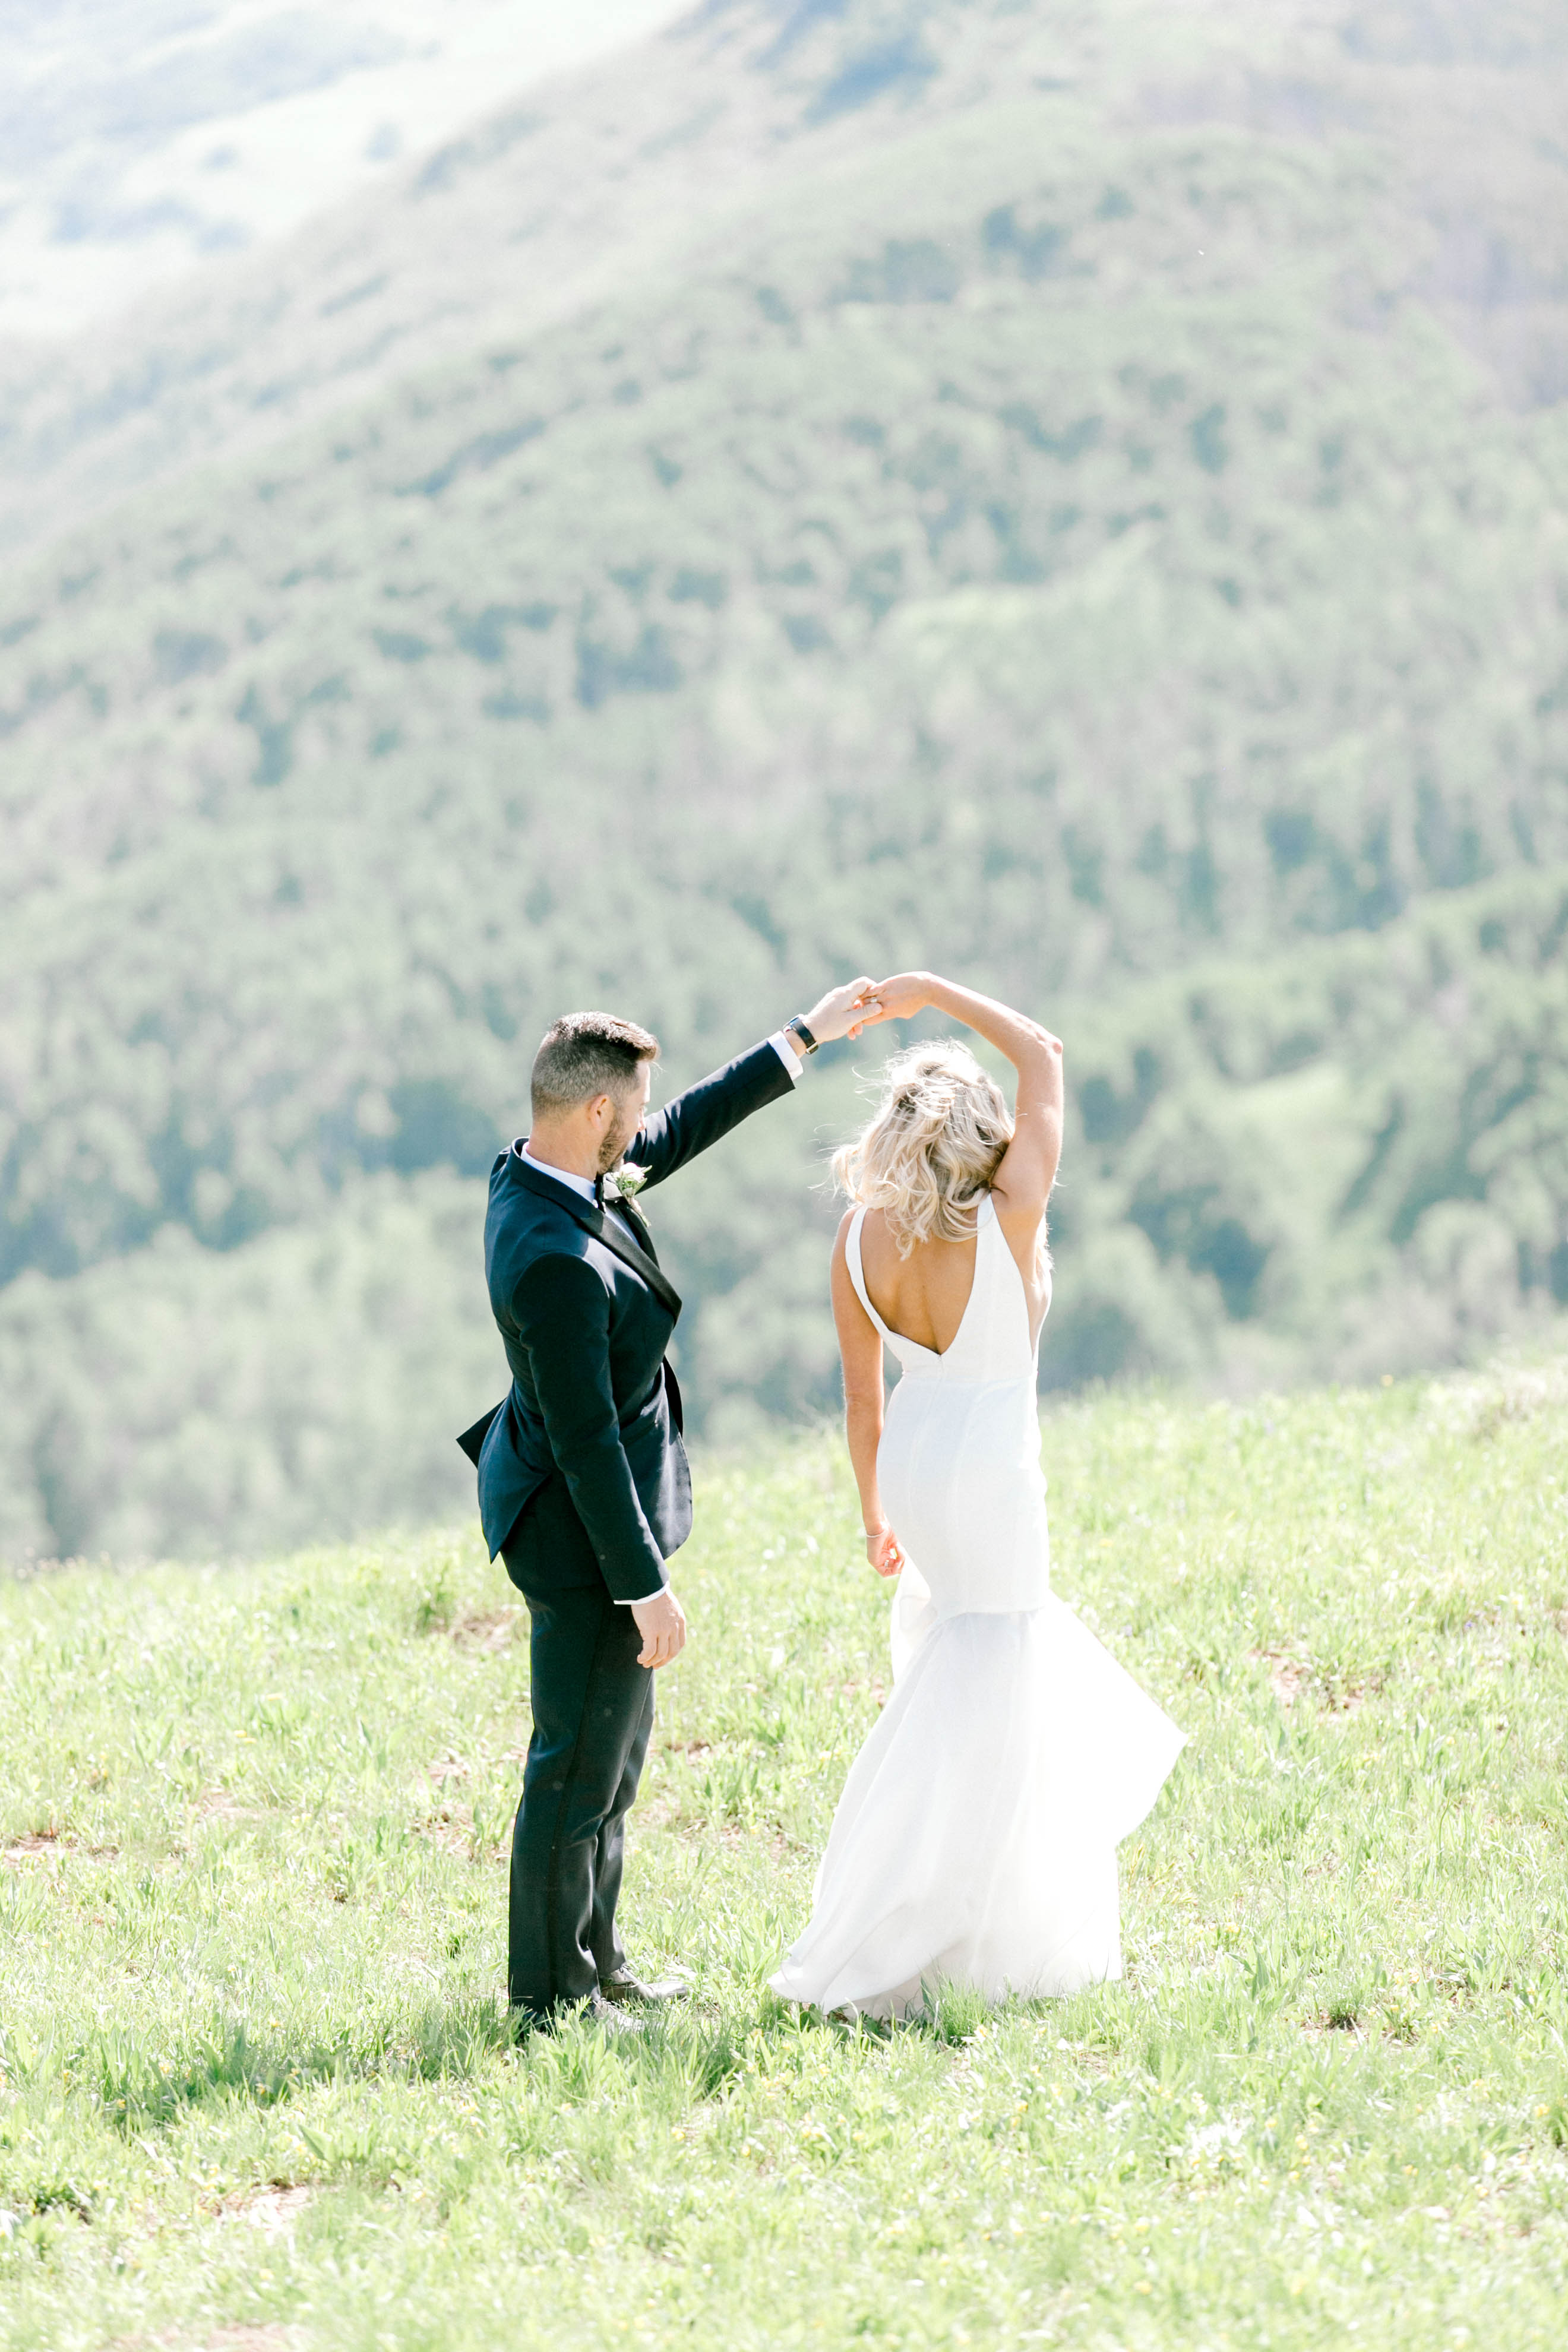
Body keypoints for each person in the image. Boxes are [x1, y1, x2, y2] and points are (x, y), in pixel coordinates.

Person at [460, 981, 881, 2035]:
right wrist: (645, 1587)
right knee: (573, 1768)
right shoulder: (552, 1258)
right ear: (598, 1114)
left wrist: (807, 1035)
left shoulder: (546, 1169)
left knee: (617, 1754)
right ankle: (548, 2000)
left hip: (594, 1500)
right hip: (578, 1533)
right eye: (633, 1112)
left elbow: (685, 1125)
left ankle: (599, 1960)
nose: (645, 1127)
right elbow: (587, 1443)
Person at [772, 972, 1184, 2022]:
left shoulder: (860, 1236)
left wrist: (873, 1512)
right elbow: (1044, 1049)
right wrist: (926, 993)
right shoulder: (1012, 1214)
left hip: (915, 1460)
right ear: (980, 1133)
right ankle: (955, 1935)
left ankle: (950, 1910)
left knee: (968, 1661)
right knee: (997, 1674)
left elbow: (863, 1402)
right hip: (995, 1464)